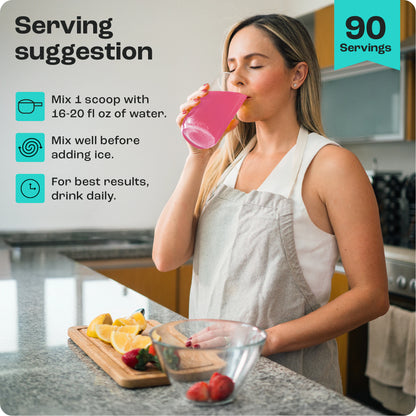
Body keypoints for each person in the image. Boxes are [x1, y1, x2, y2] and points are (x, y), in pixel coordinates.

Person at [152, 14, 389, 392]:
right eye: (231, 68)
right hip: (210, 375)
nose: (237, 79)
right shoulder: (224, 161)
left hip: (292, 385)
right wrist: (197, 154)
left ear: (297, 75)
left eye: (255, 64)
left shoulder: (331, 165)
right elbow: (166, 258)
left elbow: (372, 296)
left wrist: (262, 339)